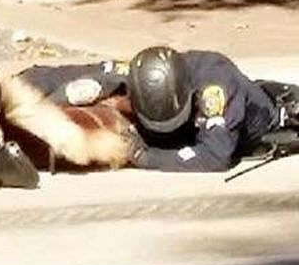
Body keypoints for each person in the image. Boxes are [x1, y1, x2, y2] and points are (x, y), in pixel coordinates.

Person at [17, 46, 299, 172]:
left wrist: (143, 156)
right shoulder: (141, 70)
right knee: (87, 87)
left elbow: (216, 156)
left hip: (266, 114)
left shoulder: (218, 92)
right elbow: (64, 73)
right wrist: (33, 93)